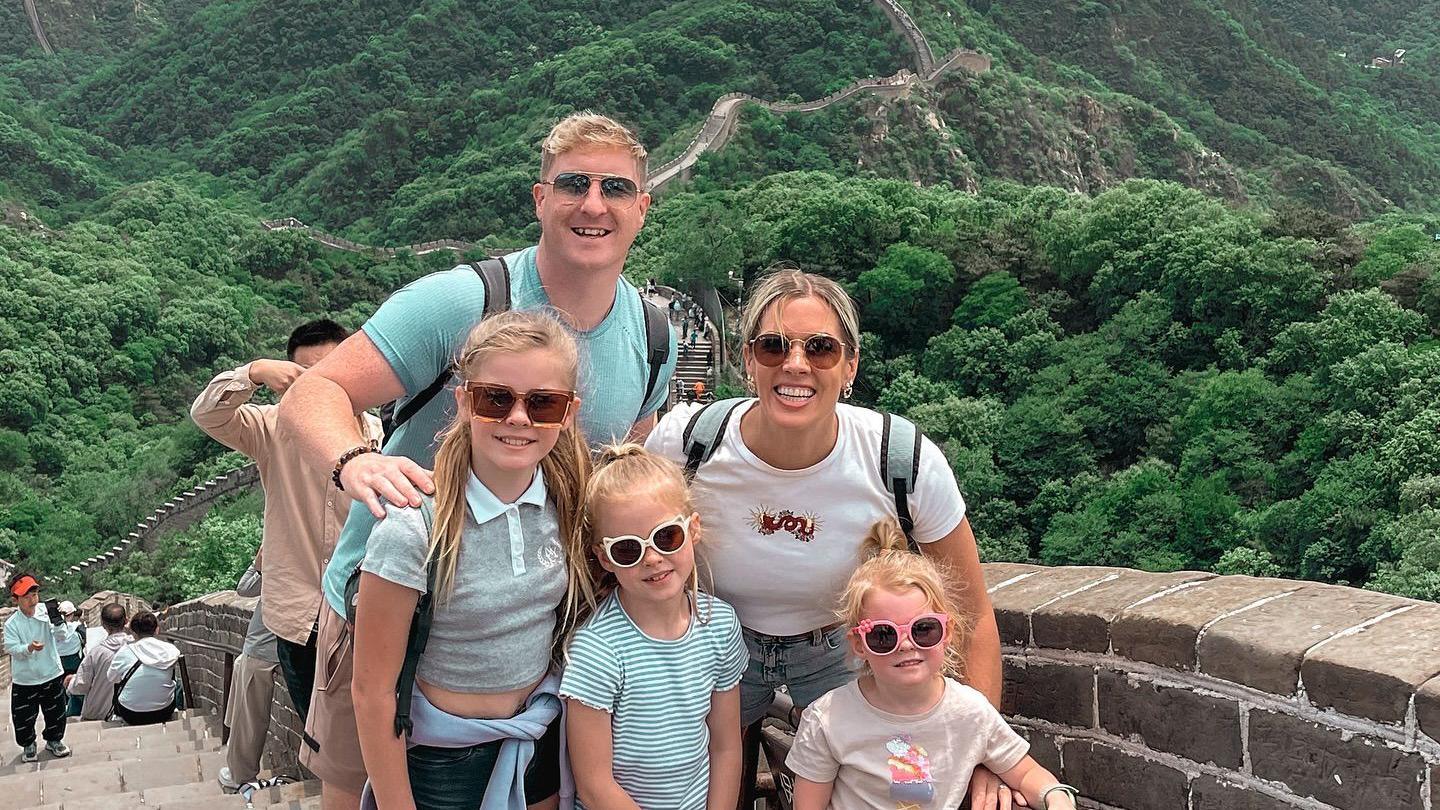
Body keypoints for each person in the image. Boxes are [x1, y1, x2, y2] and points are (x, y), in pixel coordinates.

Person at [277, 112, 677, 810]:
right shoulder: (460, 302)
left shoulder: (651, 333)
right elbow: (313, 391)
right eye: (573, 184)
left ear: (642, 207)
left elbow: (621, 475)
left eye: (615, 187)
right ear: (539, 198)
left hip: (526, 639)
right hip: (393, 615)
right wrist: (352, 460)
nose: (593, 204)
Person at [645, 268, 1009, 809]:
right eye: (773, 346)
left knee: (903, 792)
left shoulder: (899, 459)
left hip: (855, 649)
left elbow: (973, 615)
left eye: (820, 348)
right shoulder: (688, 443)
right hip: (716, 643)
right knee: (688, 791)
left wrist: (983, 755)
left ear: (850, 365)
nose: (795, 364)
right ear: (748, 360)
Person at [352, 311, 590, 809]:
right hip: (444, 764)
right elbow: (372, 691)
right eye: (496, 398)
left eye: (543, 403)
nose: (519, 418)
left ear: (567, 413)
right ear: (463, 403)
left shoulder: (568, 506)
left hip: (537, 738)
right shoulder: (415, 528)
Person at [788, 529, 1078, 810]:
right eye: (884, 636)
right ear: (859, 644)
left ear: (947, 631)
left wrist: (1056, 797)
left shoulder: (970, 711)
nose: (905, 645)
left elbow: (1026, 774)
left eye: (923, 630)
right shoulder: (827, 719)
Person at [192, 319, 382, 728]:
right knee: (318, 733)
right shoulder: (274, 427)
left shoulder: (378, 432)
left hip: (363, 608)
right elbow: (207, 414)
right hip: (300, 617)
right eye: (311, 376)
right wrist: (254, 372)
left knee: (375, 728)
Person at [561, 445, 745, 810]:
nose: (652, 558)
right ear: (603, 558)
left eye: (666, 537)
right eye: (627, 550)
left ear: (693, 529)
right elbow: (595, 786)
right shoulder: (597, 649)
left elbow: (725, 747)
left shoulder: (720, 625)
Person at [219, 560, 281, 795]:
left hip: (265, 649)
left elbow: (245, 588)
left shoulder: (285, 550)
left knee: (249, 720)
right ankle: (233, 751)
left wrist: (261, 557)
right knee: (238, 667)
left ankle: (240, 776)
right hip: (263, 648)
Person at [3, 574, 73, 762]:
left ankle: (54, 740)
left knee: (56, 712)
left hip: (50, 672)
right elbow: (11, 648)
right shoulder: (12, 624)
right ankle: (28, 744)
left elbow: (62, 636)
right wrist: (29, 648)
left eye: (34, 595)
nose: (32, 600)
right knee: (23, 716)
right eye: (26, 597)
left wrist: (58, 622)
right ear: (15, 600)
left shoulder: (46, 613)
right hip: (25, 678)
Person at [108, 611, 182, 725]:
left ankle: (117, 717)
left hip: (130, 714)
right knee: (176, 682)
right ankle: (179, 710)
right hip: (164, 711)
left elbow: (111, 678)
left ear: (133, 632)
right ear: (157, 629)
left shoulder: (125, 651)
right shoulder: (170, 650)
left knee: (120, 678)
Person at [67, 603, 131, 721]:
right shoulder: (135, 648)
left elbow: (81, 685)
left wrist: (70, 682)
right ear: (126, 621)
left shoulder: (96, 653)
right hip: (130, 711)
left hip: (99, 713)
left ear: (103, 624)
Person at [55, 601, 85, 716]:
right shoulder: (77, 627)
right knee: (73, 683)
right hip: (74, 661)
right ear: (72, 614)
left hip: (58, 661)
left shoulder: (53, 628)